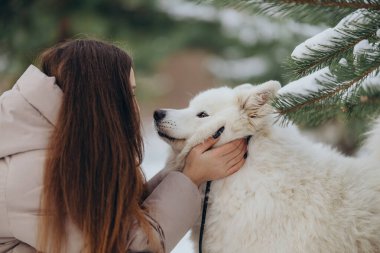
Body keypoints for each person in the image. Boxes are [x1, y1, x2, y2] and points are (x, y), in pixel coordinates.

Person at [0, 39, 247, 253]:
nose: (136, 108)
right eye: (129, 94)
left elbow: (120, 220)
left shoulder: (58, 141)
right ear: (100, 99)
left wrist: (184, 172)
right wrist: (191, 178)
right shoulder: (31, 173)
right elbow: (119, 246)